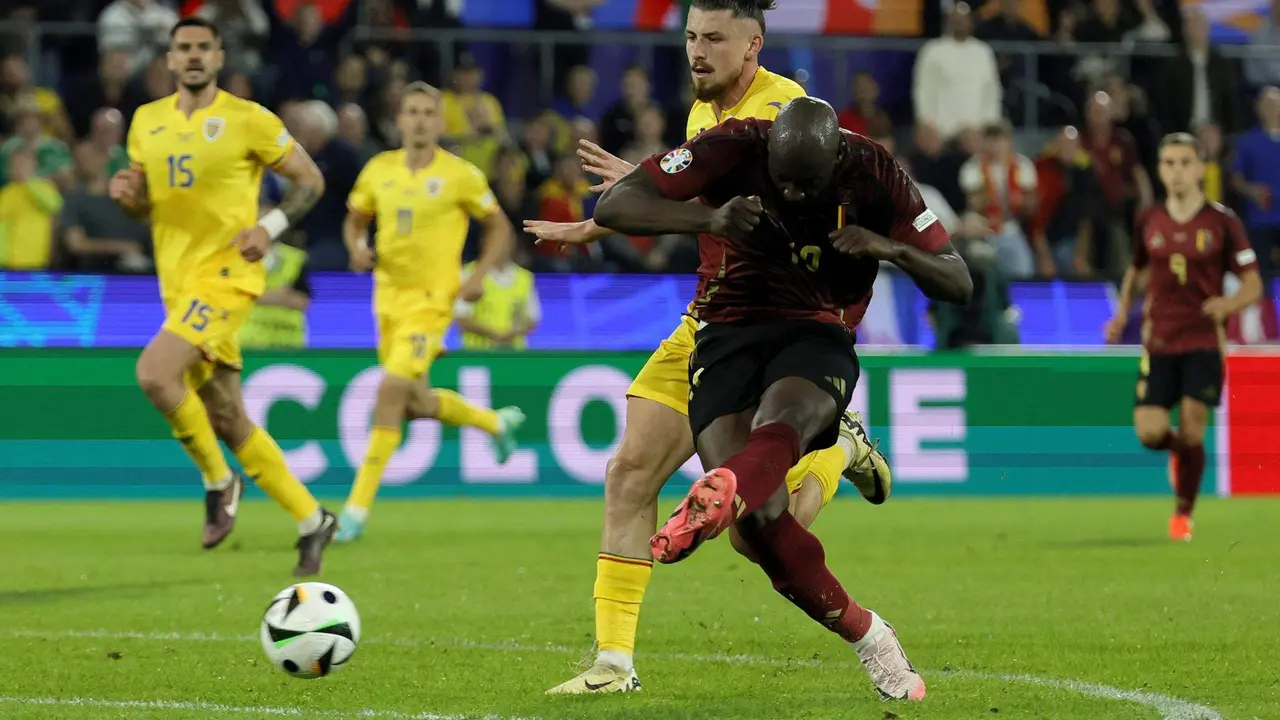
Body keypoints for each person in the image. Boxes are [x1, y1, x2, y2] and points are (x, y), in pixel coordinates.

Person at [526, 0, 892, 695]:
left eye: (715, 39)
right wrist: (600, 220)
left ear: (753, 44)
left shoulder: (790, 114)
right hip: (704, 318)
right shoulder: (706, 109)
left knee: (757, 534)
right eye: (691, 36)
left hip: (771, 328)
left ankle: (839, 450)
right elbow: (701, 192)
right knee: (630, 471)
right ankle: (613, 664)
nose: (697, 50)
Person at [592, 98, 973, 701]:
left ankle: (720, 489)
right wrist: (708, 221)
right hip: (727, 333)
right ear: (769, 152)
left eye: (809, 184)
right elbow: (614, 205)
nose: (794, 196)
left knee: (784, 425)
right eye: (783, 182)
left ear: (837, 158)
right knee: (759, 527)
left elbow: (958, 279)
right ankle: (868, 632)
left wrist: (889, 248)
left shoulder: (876, 171)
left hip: (817, 331)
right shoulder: (736, 144)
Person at [108, 16, 336, 576]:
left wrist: (271, 226)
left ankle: (218, 480)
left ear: (218, 57)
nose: (192, 55)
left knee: (155, 374)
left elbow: (311, 181)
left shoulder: (248, 119)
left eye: (203, 47)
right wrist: (127, 198)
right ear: (168, 58)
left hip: (230, 275)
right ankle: (313, 519)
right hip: (178, 284)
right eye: (182, 47)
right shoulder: (145, 123)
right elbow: (147, 205)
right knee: (230, 416)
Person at [334, 81, 525, 543]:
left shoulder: (460, 174)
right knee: (414, 403)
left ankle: (354, 511)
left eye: (427, 113)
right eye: (411, 112)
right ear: (399, 119)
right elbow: (355, 218)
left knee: (390, 390)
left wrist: (477, 277)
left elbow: (499, 226)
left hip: (432, 302)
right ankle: (494, 422)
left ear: (440, 122)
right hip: (387, 301)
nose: (419, 120)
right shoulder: (378, 170)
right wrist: (356, 247)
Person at [1105, 133, 1263, 541]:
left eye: (1184, 163)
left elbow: (1253, 284)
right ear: (1160, 170)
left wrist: (1227, 307)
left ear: (1199, 169)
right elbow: (1136, 272)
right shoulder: (1149, 220)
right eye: (1169, 163)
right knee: (1150, 432)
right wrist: (1121, 315)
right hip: (1158, 341)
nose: (1176, 171)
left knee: (1194, 428)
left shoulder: (1221, 221)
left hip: (1204, 343)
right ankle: (1179, 454)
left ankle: (1182, 516)